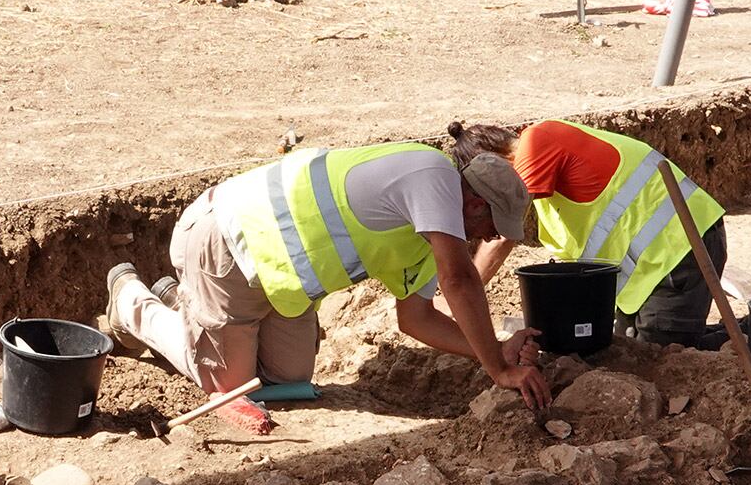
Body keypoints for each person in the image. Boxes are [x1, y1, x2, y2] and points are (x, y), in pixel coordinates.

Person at [105, 142, 551, 423]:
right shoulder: (433, 176)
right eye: (494, 223)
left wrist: (493, 347)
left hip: (281, 286)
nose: (492, 237)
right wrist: (497, 367)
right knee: (227, 385)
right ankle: (130, 302)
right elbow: (461, 280)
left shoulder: (424, 237)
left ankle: (189, 307)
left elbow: (415, 319)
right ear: (473, 203)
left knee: (287, 380)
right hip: (227, 244)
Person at [445, 118, 728, 348]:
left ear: (493, 162)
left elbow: (504, 239)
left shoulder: (538, 142)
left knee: (665, 357)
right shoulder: (546, 186)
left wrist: (462, 294)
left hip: (681, 249)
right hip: (651, 269)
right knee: (634, 353)